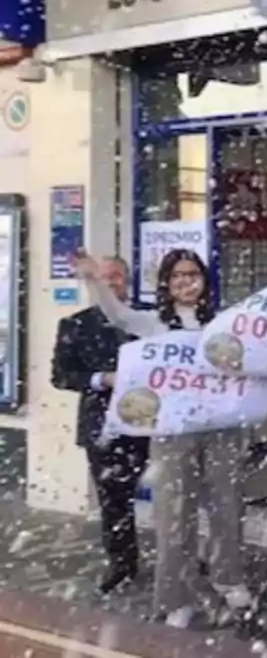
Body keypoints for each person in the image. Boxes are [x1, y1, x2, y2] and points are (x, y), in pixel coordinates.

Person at [74, 248, 254, 631]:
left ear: (205, 281)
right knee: (175, 516)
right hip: (172, 434)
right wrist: (94, 280)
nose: (186, 282)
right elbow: (117, 315)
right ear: (167, 284)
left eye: (193, 275)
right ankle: (175, 596)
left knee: (228, 508)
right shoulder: (153, 323)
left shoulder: (224, 322)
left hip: (221, 429)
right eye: (177, 276)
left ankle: (229, 579)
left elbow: (262, 333)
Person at [51, 255, 147, 594]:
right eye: (105, 277)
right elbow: (61, 376)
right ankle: (122, 562)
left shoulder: (147, 321)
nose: (111, 283)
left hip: (152, 422)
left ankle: (182, 559)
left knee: (174, 495)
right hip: (103, 424)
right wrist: (99, 378)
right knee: (113, 500)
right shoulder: (75, 325)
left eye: (117, 276)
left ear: (128, 281)